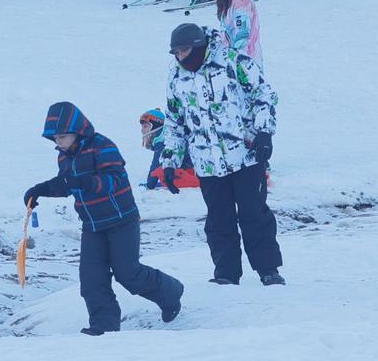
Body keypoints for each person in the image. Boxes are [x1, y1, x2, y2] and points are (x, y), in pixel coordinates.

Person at [24, 102, 184, 336]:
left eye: (63, 137)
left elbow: (115, 180)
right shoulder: (64, 157)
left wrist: (82, 182)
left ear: (78, 131)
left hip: (121, 220)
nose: (58, 142)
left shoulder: (102, 146)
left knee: (128, 273)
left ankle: (170, 292)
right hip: (92, 225)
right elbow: (67, 184)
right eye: (55, 138)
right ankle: (104, 327)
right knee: (91, 279)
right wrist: (40, 190)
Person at [157, 21, 284, 286]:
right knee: (218, 220)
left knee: (254, 214)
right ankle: (226, 274)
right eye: (175, 53)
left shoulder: (232, 62)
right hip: (207, 163)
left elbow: (263, 94)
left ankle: (268, 270)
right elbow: (174, 121)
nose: (179, 57)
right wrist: (169, 161)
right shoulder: (177, 78)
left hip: (245, 156)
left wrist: (263, 132)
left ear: (197, 46)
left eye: (182, 51)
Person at [139, 108, 200, 190]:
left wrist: (150, 185)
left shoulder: (163, 143)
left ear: (156, 127)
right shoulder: (166, 138)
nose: (142, 130)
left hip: (182, 174)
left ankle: (197, 182)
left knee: (158, 171)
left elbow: (155, 165)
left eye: (146, 126)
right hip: (187, 170)